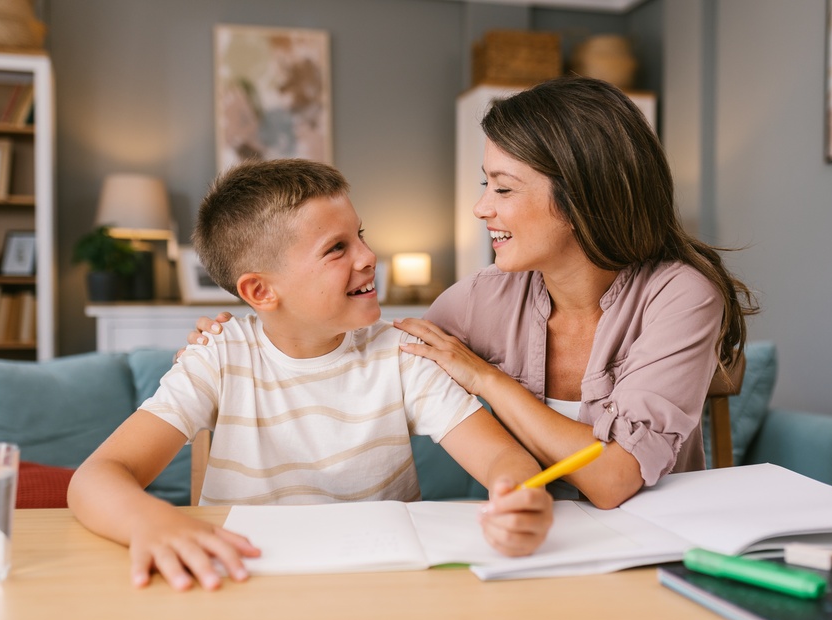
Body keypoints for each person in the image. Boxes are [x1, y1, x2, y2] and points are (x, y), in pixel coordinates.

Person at [187, 76, 757, 512]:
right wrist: (252, 340)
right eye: (487, 184)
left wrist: (487, 379)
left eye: (503, 189)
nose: (482, 207)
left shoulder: (681, 295)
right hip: (531, 544)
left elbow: (613, 480)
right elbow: (365, 351)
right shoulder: (483, 297)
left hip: (653, 545)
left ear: (584, 196)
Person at [68, 159, 553, 593]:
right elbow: (95, 478)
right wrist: (152, 523)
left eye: (360, 234)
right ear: (261, 291)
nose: (368, 256)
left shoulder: (400, 354)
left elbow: (504, 459)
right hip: (244, 582)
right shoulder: (218, 356)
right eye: (336, 248)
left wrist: (517, 497)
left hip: (377, 588)